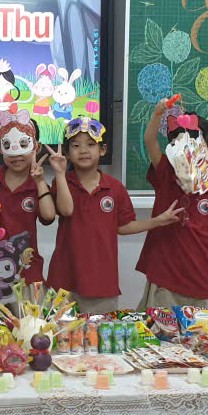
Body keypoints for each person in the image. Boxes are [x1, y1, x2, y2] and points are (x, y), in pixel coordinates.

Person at [46, 117, 183, 314]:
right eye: (75, 145)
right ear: (67, 153)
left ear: (102, 150)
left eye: (91, 144)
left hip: (101, 282)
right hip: (63, 280)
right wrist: (59, 174)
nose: (83, 150)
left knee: (99, 340)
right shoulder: (62, 182)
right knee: (59, 340)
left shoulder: (115, 187)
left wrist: (158, 221)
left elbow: (122, 226)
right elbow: (66, 210)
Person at [136, 106, 208, 310]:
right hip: (164, 282)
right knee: (160, 338)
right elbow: (149, 140)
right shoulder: (166, 174)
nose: (182, 151)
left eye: (190, 145)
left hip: (201, 283)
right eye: (176, 144)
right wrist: (157, 114)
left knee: (202, 339)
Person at [0, 110, 58, 283]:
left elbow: (48, 216)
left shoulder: (38, 187)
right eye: (8, 145)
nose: (16, 155)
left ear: (36, 147)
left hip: (27, 273)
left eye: (24, 144)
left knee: (27, 311)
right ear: (1, 148)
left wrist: (39, 182)